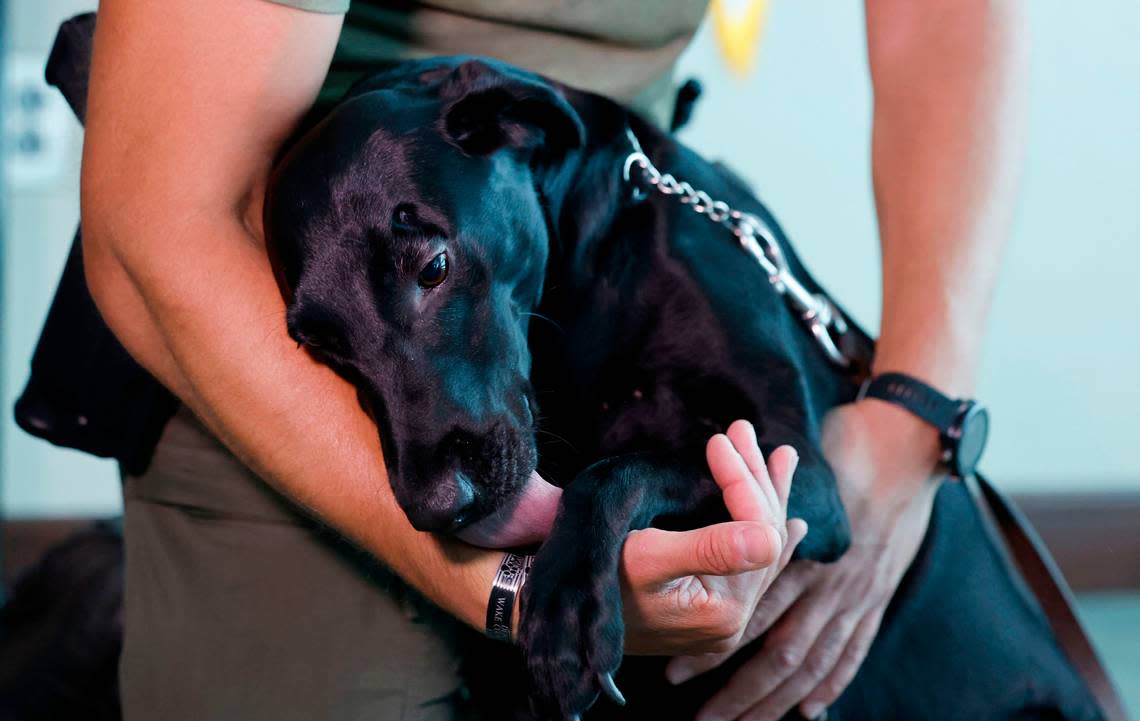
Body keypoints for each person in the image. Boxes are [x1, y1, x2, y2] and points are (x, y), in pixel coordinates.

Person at [78, 1, 1027, 719]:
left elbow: (942, 24)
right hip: (248, 316)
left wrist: (916, 411)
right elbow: (160, 226)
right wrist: (508, 590)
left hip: (578, 212)